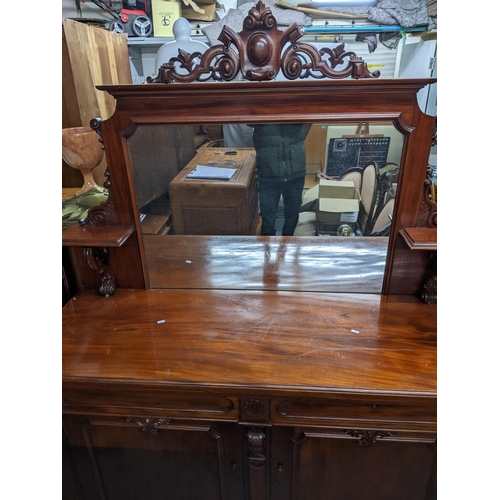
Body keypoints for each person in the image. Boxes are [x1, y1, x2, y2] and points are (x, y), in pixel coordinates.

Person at [250, 123, 312, 236]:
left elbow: (310, 118)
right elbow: (249, 121)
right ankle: (267, 250)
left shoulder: (296, 106)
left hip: (295, 169)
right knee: (267, 218)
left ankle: (288, 247)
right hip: (268, 170)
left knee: (293, 215)